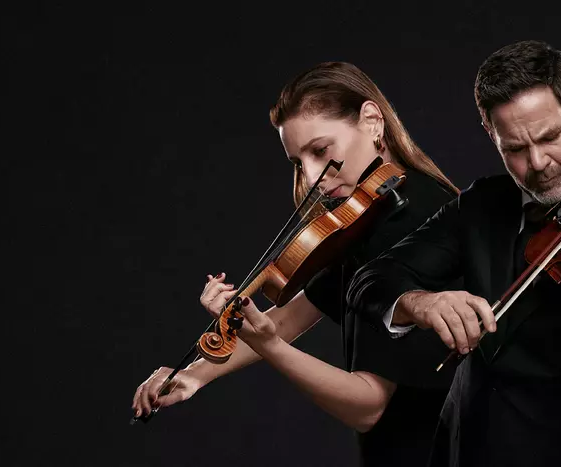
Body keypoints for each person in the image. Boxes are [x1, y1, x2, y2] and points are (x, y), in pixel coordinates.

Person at [346, 40, 561, 467]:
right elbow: (369, 281)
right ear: (489, 132)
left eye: (550, 137)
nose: (538, 163)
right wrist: (421, 302)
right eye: (514, 149)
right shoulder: (481, 205)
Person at [129, 61, 461, 467]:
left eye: (321, 150)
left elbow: (368, 406)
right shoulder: (370, 216)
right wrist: (194, 374)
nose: (314, 175)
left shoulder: (409, 222)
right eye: (297, 161)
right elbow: (288, 319)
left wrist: (267, 346)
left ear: (372, 121)